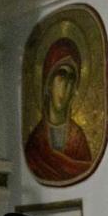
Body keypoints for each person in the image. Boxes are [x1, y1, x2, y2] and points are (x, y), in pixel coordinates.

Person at [24, 38, 95, 184]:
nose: (65, 86)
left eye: (71, 78)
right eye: (61, 75)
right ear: (48, 83)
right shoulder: (35, 143)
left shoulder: (78, 140)